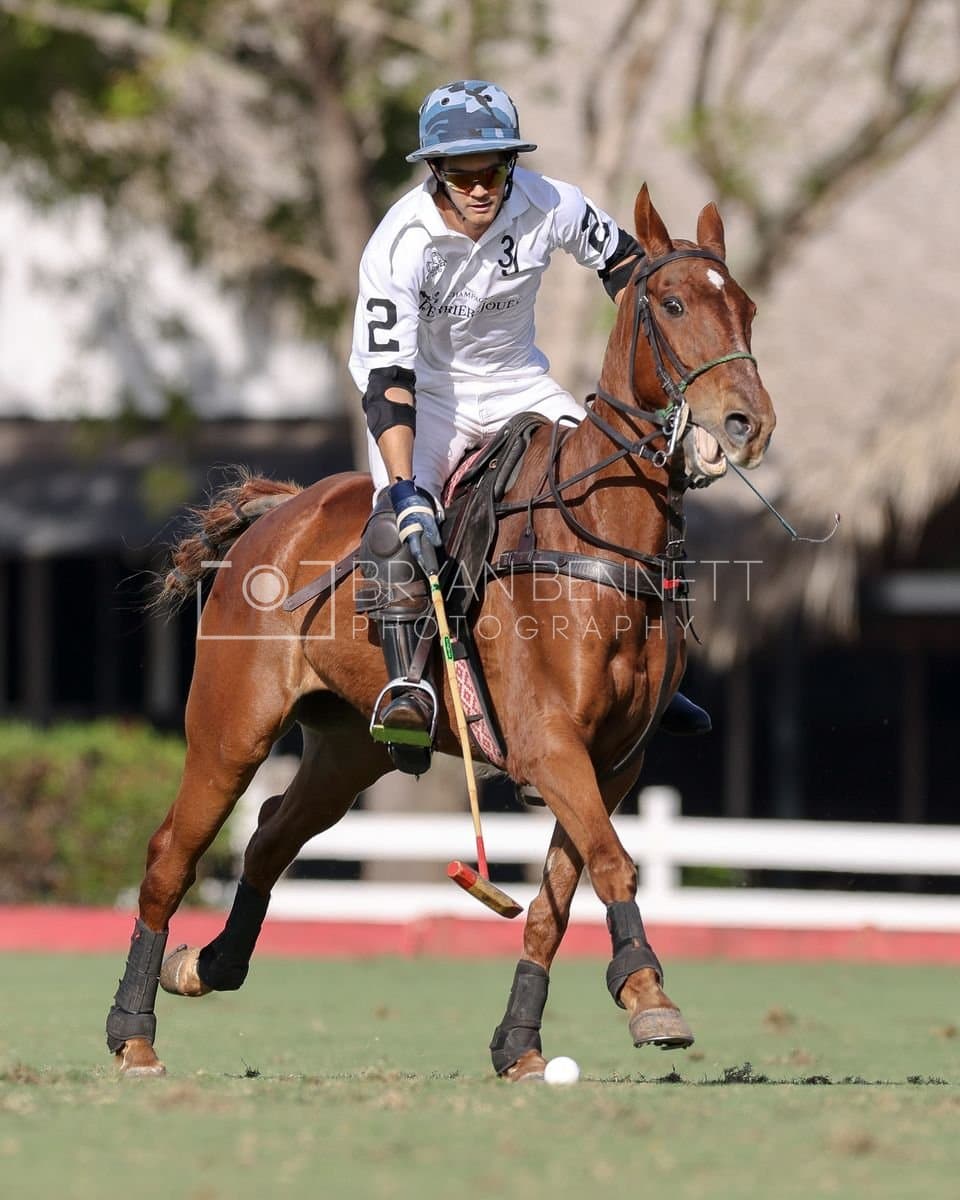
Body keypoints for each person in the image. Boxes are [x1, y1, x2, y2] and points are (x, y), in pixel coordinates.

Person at [348, 80, 709, 767]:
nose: (483, 188)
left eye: (495, 169)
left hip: (520, 383)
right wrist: (405, 490)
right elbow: (387, 384)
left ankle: (660, 664)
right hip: (426, 400)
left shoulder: (551, 203)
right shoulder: (398, 244)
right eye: (463, 173)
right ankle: (406, 689)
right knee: (399, 533)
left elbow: (630, 267)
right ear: (435, 172)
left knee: (637, 478)